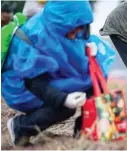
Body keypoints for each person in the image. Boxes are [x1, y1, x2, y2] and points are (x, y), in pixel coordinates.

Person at [1, 1, 115, 147]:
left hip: (50, 76)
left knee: (93, 80)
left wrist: (89, 53)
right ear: (62, 25)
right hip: (22, 85)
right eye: (73, 30)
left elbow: (75, 44)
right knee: (65, 109)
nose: (76, 35)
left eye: (80, 29)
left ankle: (85, 130)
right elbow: (33, 83)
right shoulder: (36, 36)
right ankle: (20, 127)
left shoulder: (66, 29)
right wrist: (63, 99)